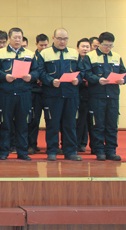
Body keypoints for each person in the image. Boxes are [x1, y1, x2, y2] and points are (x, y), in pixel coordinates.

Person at [81, 32, 126, 161]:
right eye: (106, 45)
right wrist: (97, 79)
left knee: (112, 125)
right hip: (97, 95)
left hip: (112, 95)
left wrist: (123, 80)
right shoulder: (90, 56)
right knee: (98, 125)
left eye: (111, 45)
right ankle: (99, 150)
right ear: (99, 44)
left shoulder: (117, 57)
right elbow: (86, 73)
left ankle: (111, 151)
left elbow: (124, 73)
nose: (108, 48)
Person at [37, 28, 83, 161]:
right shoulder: (45, 53)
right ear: (53, 38)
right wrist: (50, 81)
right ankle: (52, 150)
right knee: (52, 123)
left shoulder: (74, 53)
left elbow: (82, 71)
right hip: (52, 94)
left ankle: (70, 151)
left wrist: (78, 79)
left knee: (70, 124)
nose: (62, 42)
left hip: (71, 94)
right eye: (59, 39)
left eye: (65, 39)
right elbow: (40, 71)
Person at [0, 27, 39, 160]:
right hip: (6, 93)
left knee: (22, 124)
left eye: (20, 37)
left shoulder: (30, 54)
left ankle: (22, 152)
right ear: (9, 38)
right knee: (5, 124)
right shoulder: (0, 53)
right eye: (15, 37)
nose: (18, 40)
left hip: (24, 93)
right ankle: (4, 151)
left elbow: (37, 71)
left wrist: (31, 76)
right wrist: (4, 76)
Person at [28, 33, 49, 154]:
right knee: (34, 120)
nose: (44, 48)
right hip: (35, 92)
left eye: (46, 45)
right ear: (36, 44)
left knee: (51, 120)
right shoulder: (32, 57)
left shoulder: (50, 56)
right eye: (41, 45)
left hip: (49, 92)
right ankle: (32, 144)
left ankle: (51, 146)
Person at [75, 38, 92, 153]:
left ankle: (83, 143)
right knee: (78, 120)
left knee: (87, 121)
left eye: (87, 47)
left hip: (89, 94)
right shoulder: (75, 60)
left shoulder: (91, 60)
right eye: (83, 46)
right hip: (77, 92)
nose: (85, 49)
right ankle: (76, 143)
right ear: (77, 48)